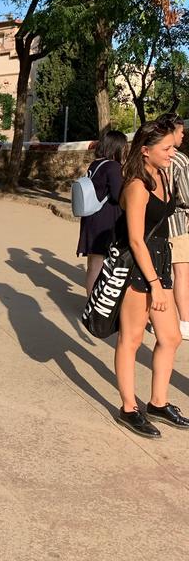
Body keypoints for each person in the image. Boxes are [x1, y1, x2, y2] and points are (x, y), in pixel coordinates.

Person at [114, 119, 188, 438]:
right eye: (167, 148)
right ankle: (129, 408)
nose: (173, 152)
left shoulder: (163, 174)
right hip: (139, 267)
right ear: (145, 151)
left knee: (170, 337)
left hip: (160, 260)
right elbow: (135, 239)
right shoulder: (136, 185)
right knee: (131, 340)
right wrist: (155, 285)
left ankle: (158, 403)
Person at [76, 130, 128, 295]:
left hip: (92, 217)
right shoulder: (113, 166)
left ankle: (90, 301)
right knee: (100, 264)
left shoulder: (96, 164)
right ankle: (93, 305)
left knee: (93, 265)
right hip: (105, 220)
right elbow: (117, 195)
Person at [155, 112, 189, 340]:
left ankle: (155, 319)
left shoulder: (148, 155)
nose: (183, 135)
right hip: (176, 223)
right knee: (181, 273)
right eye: (180, 131)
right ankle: (185, 321)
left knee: (158, 273)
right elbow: (186, 197)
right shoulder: (180, 160)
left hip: (153, 223)